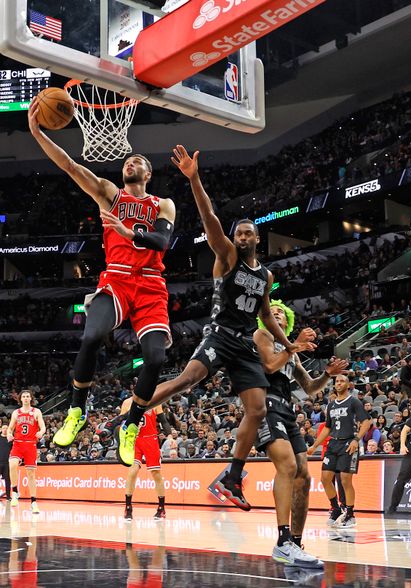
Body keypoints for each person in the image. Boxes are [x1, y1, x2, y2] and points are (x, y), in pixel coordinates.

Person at [138, 146, 315, 509]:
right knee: (187, 380)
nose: (244, 238)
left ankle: (233, 477)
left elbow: (265, 316)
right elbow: (209, 218)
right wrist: (194, 179)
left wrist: (289, 345)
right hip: (219, 334)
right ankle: (133, 414)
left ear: (258, 239)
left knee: (258, 410)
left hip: (245, 344)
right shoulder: (228, 257)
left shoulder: (265, 275)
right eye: (240, 234)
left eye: (249, 234)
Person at [29, 108, 176, 460]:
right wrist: (38, 134)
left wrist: (131, 232)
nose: (130, 163)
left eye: (137, 161)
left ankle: (131, 423)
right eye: (127, 160)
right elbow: (70, 166)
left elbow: (162, 241)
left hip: (152, 285)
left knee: (155, 358)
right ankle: (77, 411)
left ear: (148, 173)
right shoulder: (111, 194)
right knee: (92, 335)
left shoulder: (162, 204)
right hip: (118, 279)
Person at [254, 299, 347, 568]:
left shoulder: (291, 353)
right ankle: (282, 541)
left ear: (289, 320)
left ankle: (295, 542)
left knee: (304, 475)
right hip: (265, 403)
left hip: (287, 408)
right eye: (273, 312)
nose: (278, 314)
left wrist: (328, 375)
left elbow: (309, 387)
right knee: (288, 465)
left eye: (282, 312)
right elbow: (270, 366)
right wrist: (294, 343)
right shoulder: (262, 335)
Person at [308, 374, 372, 528]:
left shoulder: (353, 401)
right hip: (333, 444)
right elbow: (327, 428)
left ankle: (350, 514)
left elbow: (367, 422)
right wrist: (314, 445)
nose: (339, 383)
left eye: (342, 381)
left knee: (345, 480)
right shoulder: (330, 405)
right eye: (337, 381)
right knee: (325, 478)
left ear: (348, 384)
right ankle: (336, 509)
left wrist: (357, 440)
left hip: (348, 443)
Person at [120, 398, 172, 521]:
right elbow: (121, 422)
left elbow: (163, 421)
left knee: (156, 474)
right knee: (132, 472)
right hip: (134, 439)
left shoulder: (155, 401)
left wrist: (170, 436)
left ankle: (161, 508)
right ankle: (128, 508)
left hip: (151, 439)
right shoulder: (127, 402)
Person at [6, 390, 46, 512]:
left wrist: (41, 432)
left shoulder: (36, 411)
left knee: (31, 474)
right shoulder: (16, 413)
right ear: (20, 399)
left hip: (30, 445)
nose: (26, 398)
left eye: (28, 396)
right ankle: (15, 492)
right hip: (18, 443)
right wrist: (8, 434)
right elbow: (10, 428)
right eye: (23, 396)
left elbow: (43, 426)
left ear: (31, 398)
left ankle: (33, 502)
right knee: (12, 465)